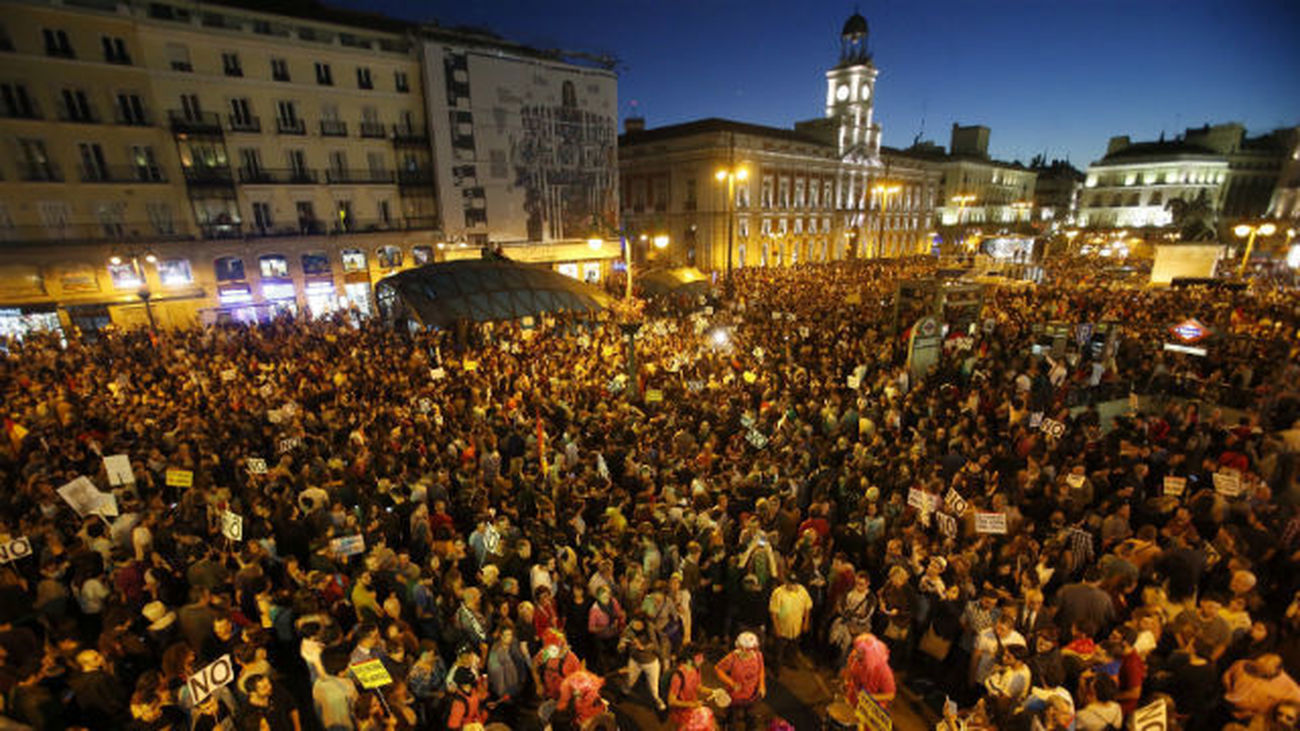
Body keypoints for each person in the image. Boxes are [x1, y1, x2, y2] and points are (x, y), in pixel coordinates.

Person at [715, 631, 765, 729]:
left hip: (751, 694)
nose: (752, 651)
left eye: (754, 648)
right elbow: (718, 669)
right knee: (732, 719)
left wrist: (762, 685)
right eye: (749, 649)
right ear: (741, 648)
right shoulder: (732, 658)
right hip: (735, 695)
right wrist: (731, 683)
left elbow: (761, 670)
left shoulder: (758, 655)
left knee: (750, 714)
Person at [769, 573, 813, 670]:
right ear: (786, 582)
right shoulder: (778, 593)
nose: (792, 586)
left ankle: (790, 662)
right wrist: (777, 628)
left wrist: (805, 623)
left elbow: (807, 607)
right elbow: (773, 612)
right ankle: (777, 667)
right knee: (779, 649)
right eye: (790, 583)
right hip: (782, 627)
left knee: (793, 647)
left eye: (794, 583)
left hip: (796, 628)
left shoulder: (802, 591)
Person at [842, 632, 896, 708]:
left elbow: (890, 695)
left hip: (871, 706)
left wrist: (868, 698)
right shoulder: (855, 656)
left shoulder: (883, 670)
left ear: (869, 654)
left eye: (859, 652)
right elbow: (849, 669)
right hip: (854, 697)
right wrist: (847, 680)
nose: (855, 653)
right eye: (855, 649)